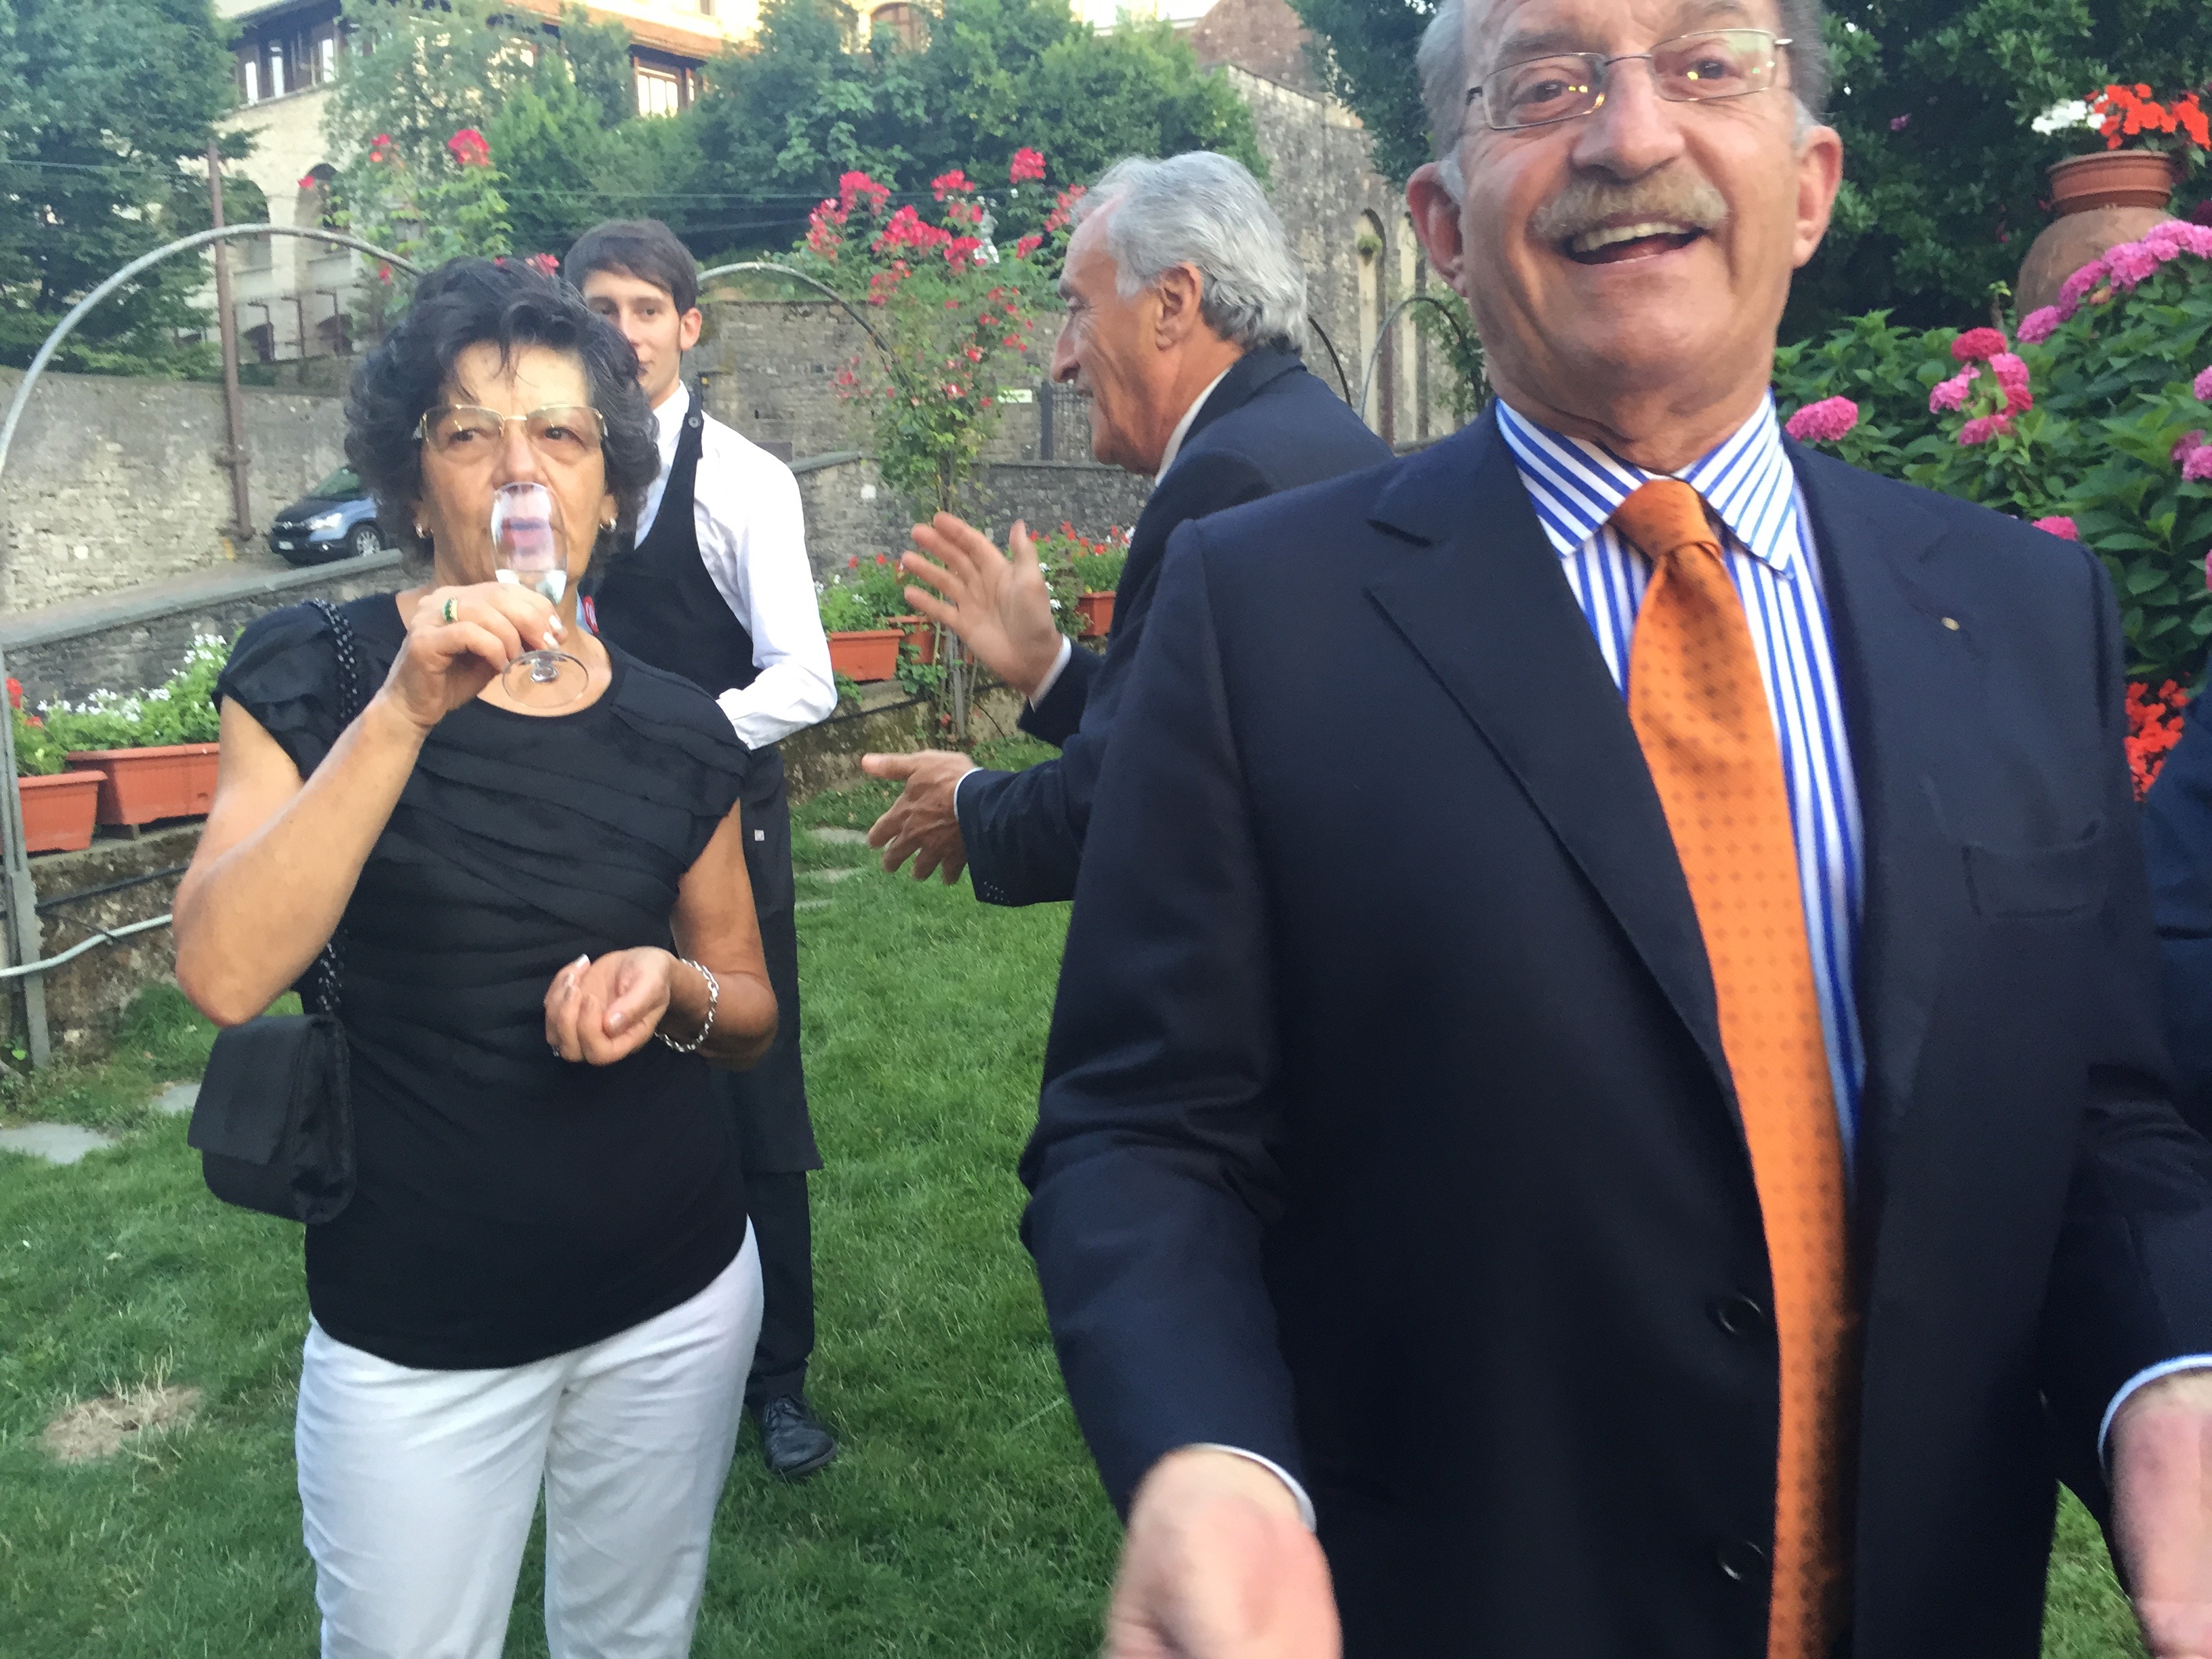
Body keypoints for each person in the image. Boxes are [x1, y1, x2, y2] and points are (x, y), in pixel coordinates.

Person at [1021, 3, 2212, 1656]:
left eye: (1708, 64)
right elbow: (1146, 1131)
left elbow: (2102, 1114)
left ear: (1810, 184)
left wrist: (2171, 1375)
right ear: (1443, 223)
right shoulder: (1262, 616)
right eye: (1546, 81)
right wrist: (1210, 1451)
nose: (1631, 134)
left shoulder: (2019, 614)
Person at [171, 258, 782, 1658]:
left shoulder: (681, 728)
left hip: (675, 1297)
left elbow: (747, 1012)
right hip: (419, 1330)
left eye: (562, 434)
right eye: (469, 433)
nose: (521, 468)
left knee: (631, 1640)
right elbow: (221, 972)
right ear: (412, 484)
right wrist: (403, 711)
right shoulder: (317, 674)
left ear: (610, 490)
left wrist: (671, 994)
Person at [861, 152, 1391, 900]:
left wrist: (967, 803)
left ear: (1173, 303)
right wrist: (1046, 667)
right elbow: (1197, 741)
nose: (1060, 362)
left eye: (1078, 308)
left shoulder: (1227, 477)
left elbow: (1142, 803)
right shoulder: (1307, 432)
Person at [565, 220, 843, 1480]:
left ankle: (776, 1381)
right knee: (603, 1066)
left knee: (747, 1089)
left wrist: (674, 737)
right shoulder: (556, 469)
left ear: (688, 326)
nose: (623, 332)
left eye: (645, 309)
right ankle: (630, 1355)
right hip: (583, 819)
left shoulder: (742, 481)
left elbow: (806, 679)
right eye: (600, 308)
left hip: (723, 818)